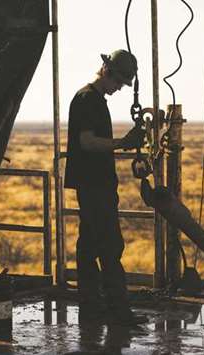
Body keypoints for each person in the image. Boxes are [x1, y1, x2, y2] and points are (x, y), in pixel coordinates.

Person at [64, 49, 146, 325]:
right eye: (119, 82)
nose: (118, 89)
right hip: (95, 184)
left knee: (88, 246)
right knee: (110, 246)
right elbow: (86, 142)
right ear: (107, 72)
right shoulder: (89, 100)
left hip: (92, 184)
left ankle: (91, 308)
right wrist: (122, 143)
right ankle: (118, 311)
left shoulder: (92, 99)